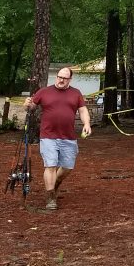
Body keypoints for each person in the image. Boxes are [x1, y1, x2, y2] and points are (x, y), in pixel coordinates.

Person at [24, 67, 91, 210]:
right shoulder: (44, 92)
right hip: (48, 136)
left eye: (65, 78)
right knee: (50, 165)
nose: (61, 80)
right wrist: (27, 104)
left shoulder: (76, 93)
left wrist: (87, 123)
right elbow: (31, 107)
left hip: (68, 137)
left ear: (70, 79)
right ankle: (50, 198)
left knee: (67, 167)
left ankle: (54, 185)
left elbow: (83, 110)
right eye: (59, 77)